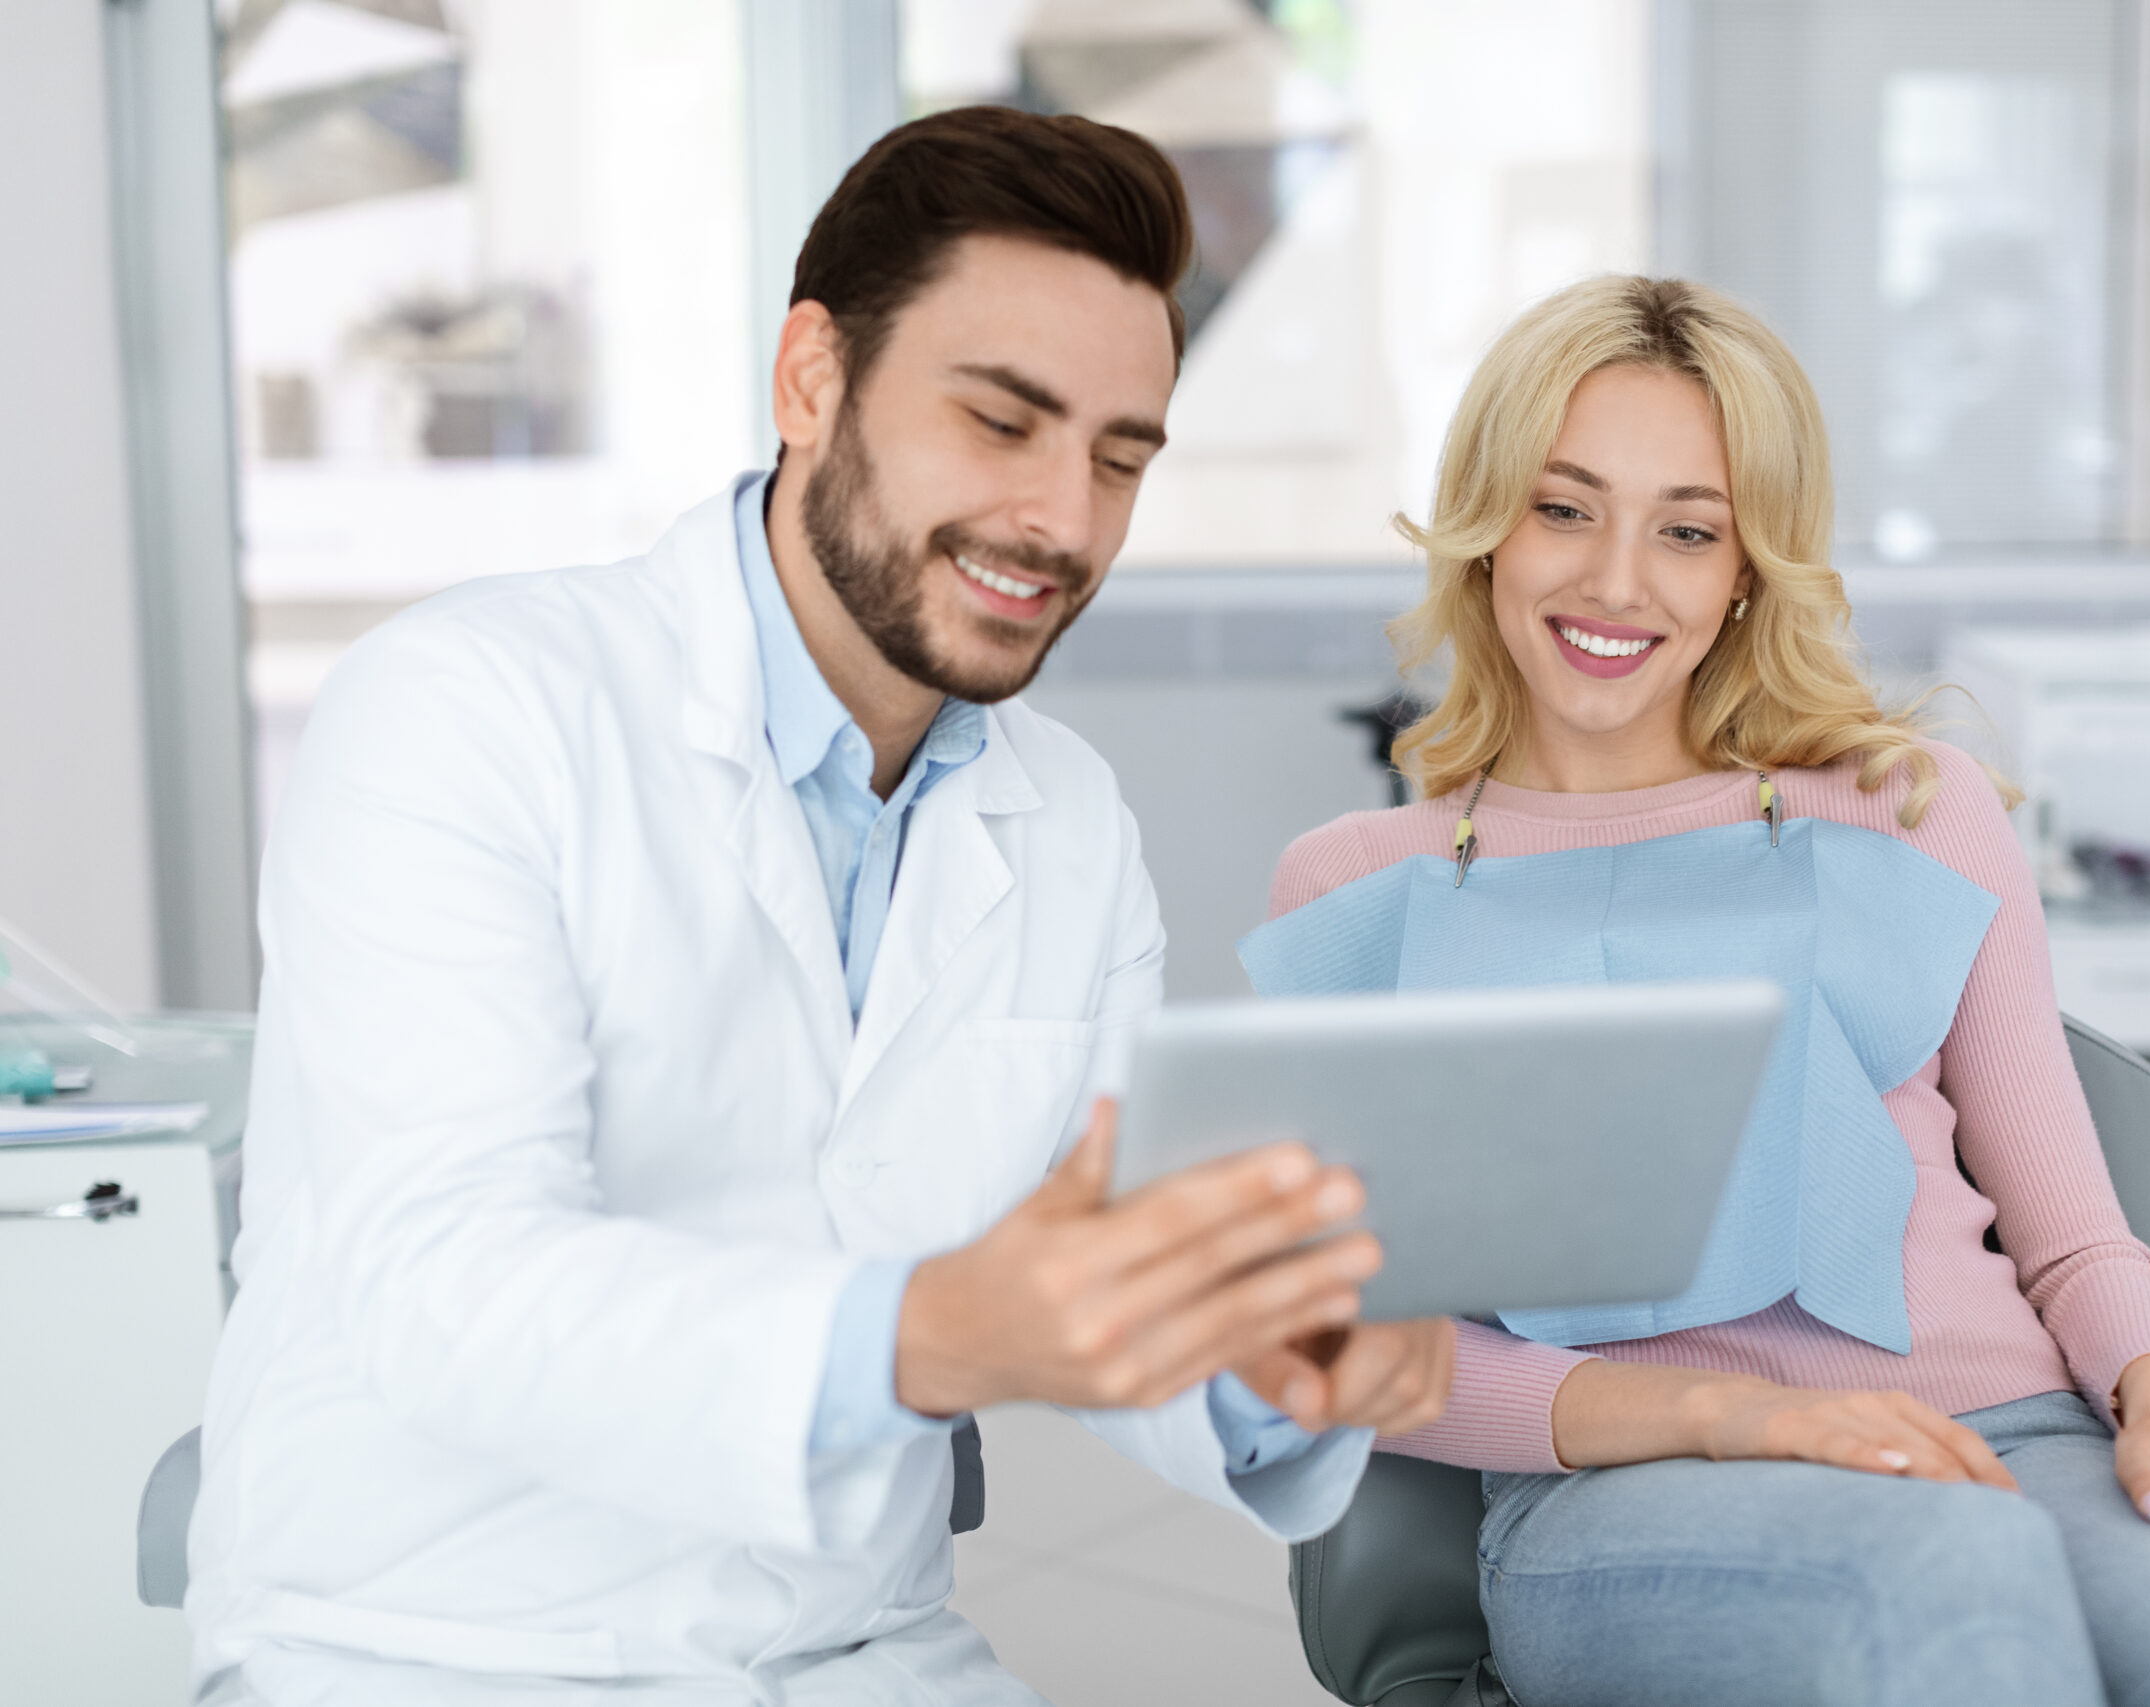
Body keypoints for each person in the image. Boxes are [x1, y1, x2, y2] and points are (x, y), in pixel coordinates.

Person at [188, 107, 1453, 1707]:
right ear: (811, 378)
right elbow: (446, 1280)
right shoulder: (465, 709)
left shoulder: (1059, 816)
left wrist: (1273, 1374)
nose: (1065, 519)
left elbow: (1084, 1266)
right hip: (437, 1647)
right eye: (1003, 422)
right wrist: (922, 1331)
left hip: (858, 1654)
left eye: (1119, 458)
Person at [1249, 275, 2150, 1706]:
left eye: (1688, 530)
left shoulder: (1913, 809)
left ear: (1746, 569)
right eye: (1564, 506)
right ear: (1484, 523)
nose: (1616, 582)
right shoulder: (1350, 886)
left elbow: (2073, 1234)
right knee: (1957, 1584)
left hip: (2020, 1440)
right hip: (1641, 1486)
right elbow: (1338, 1347)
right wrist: (1719, 1413)